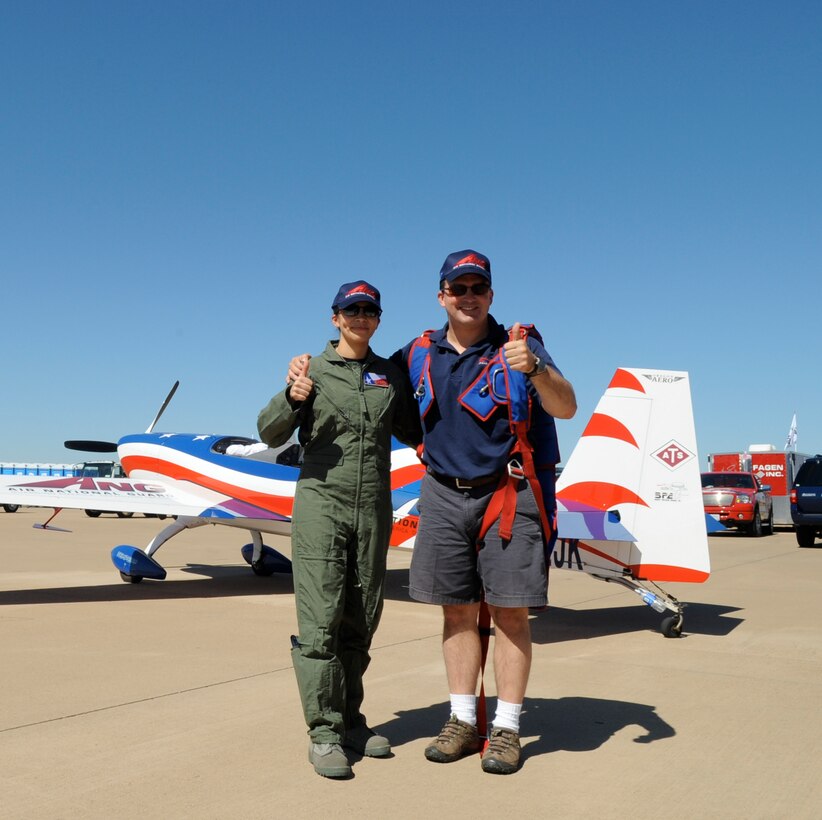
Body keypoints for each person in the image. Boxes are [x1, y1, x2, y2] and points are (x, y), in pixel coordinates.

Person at [287, 250, 576, 774]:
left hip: (507, 492)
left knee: (510, 613)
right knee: (457, 610)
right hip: (443, 492)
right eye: (458, 288)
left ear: (490, 294)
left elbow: (566, 406)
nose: (468, 297)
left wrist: (534, 367)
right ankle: (463, 722)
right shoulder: (418, 353)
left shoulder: (519, 344)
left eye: (478, 288)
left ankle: (507, 729)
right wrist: (305, 371)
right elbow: (367, 378)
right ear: (442, 295)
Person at [258, 280, 420, 779]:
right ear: (335, 318)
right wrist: (292, 396)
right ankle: (324, 732)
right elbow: (269, 431)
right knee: (321, 619)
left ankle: (351, 720)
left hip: (372, 508)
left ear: (378, 318)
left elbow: (419, 432)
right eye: (351, 310)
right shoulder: (311, 371)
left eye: (369, 310)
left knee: (362, 616)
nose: (360, 318)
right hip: (321, 507)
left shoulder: (389, 375)